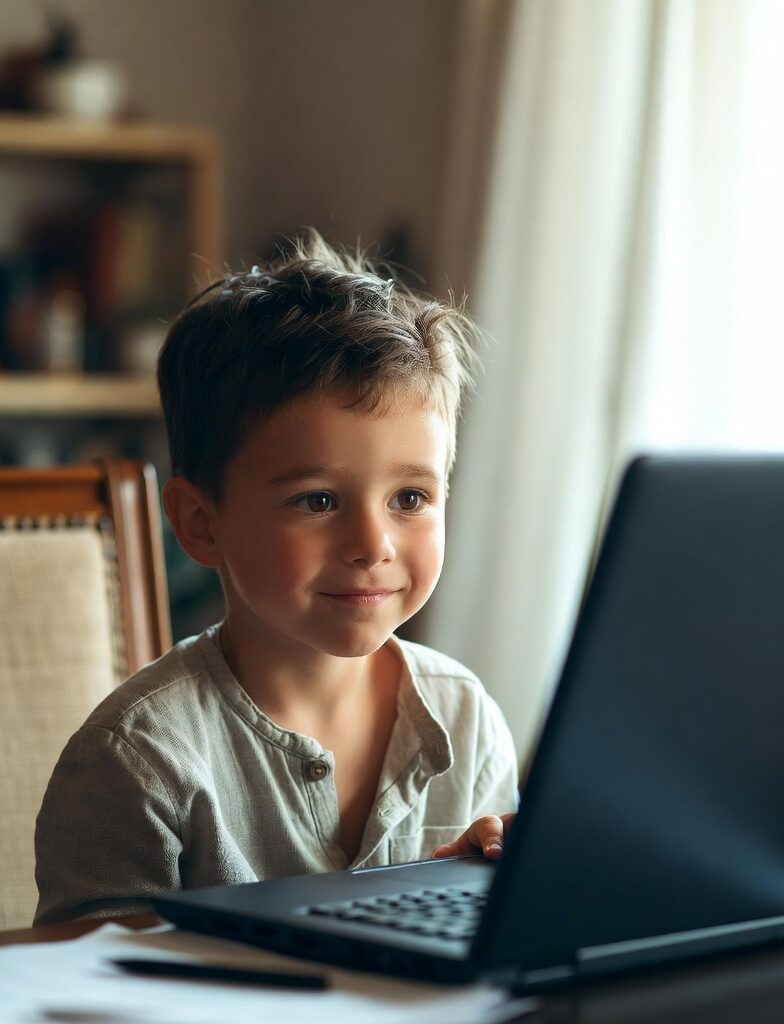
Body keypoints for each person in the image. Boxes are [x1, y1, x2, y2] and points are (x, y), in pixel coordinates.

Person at [34, 232, 518, 925]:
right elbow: (92, 986)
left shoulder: (466, 720)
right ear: (201, 524)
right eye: (317, 501)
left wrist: (478, 891)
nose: (372, 544)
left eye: (410, 498)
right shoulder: (138, 760)